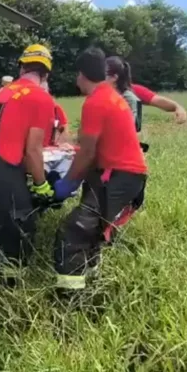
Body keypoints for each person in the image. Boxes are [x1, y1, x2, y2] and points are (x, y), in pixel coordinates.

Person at [51, 47, 148, 292]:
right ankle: (91, 278)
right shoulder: (110, 95)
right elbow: (96, 147)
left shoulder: (96, 101)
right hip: (121, 174)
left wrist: (66, 184)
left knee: (73, 232)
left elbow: (88, 153)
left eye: (77, 75)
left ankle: (70, 295)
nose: (77, 80)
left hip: (119, 176)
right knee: (92, 230)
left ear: (83, 74)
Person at [0, 44, 57, 286]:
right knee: (19, 231)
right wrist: (42, 185)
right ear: (46, 74)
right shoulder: (42, 98)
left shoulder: (2, 92)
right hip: (2, 170)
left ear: (21, 67)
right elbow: (33, 151)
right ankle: (11, 291)